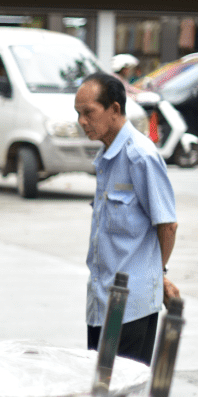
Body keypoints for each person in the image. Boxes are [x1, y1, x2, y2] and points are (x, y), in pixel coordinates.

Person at [75, 73, 178, 365]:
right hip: (100, 301)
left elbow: (167, 225)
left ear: (115, 110)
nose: (82, 121)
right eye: (78, 114)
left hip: (129, 307)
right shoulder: (107, 157)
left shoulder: (140, 156)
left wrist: (158, 273)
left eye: (88, 113)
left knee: (120, 395)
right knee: (99, 391)